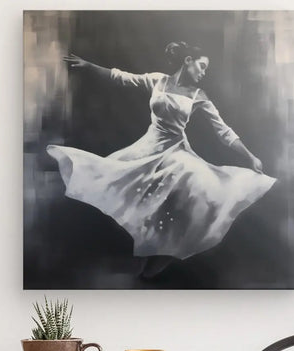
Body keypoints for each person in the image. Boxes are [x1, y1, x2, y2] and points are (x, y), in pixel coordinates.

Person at [47, 41, 276, 278]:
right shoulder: (159, 80)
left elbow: (224, 131)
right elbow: (122, 77)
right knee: (116, 180)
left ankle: (165, 254)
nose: (203, 72)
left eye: (206, 69)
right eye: (201, 66)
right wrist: (88, 65)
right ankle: (143, 251)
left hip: (176, 151)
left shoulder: (199, 96)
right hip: (147, 147)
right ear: (188, 61)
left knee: (198, 191)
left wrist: (251, 156)